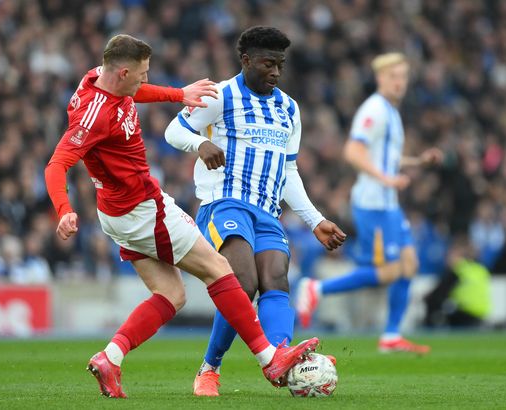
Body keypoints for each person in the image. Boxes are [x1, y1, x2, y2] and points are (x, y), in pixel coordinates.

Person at [44, 34, 321, 399]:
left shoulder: (101, 77)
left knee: (171, 294)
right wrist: (64, 210)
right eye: (142, 73)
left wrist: (178, 94)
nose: (145, 79)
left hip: (117, 213)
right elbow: (56, 164)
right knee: (220, 270)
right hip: (143, 209)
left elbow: (134, 92)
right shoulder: (94, 115)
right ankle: (269, 359)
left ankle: (111, 358)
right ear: (123, 72)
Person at [164, 26, 346, 396]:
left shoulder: (289, 108)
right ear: (246, 61)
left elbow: (289, 171)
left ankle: (281, 358)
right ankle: (209, 369)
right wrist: (199, 144)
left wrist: (315, 220)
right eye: (267, 64)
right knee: (243, 283)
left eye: (280, 65)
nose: (275, 72)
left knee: (276, 279)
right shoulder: (220, 95)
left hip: (267, 211)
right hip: (225, 203)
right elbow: (173, 131)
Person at [296, 53, 442, 354]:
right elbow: (353, 151)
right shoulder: (374, 109)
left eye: (403, 76)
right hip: (372, 203)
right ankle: (316, 288)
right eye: (393, 76)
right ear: (380, 78)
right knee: (389, 272)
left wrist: (418, 161)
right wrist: (386, 179)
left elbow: (384, 157)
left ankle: (391, 335)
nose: (399, 82)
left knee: (409, 264)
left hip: (389, 204)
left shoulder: (391, 111)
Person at [424, 236, 491, 328]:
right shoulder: (481, 269)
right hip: (481, 312)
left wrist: (427, 296)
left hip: (465, 312)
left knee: (433, 303)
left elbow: (440, 292)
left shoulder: (459, 270)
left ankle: (429, 328)